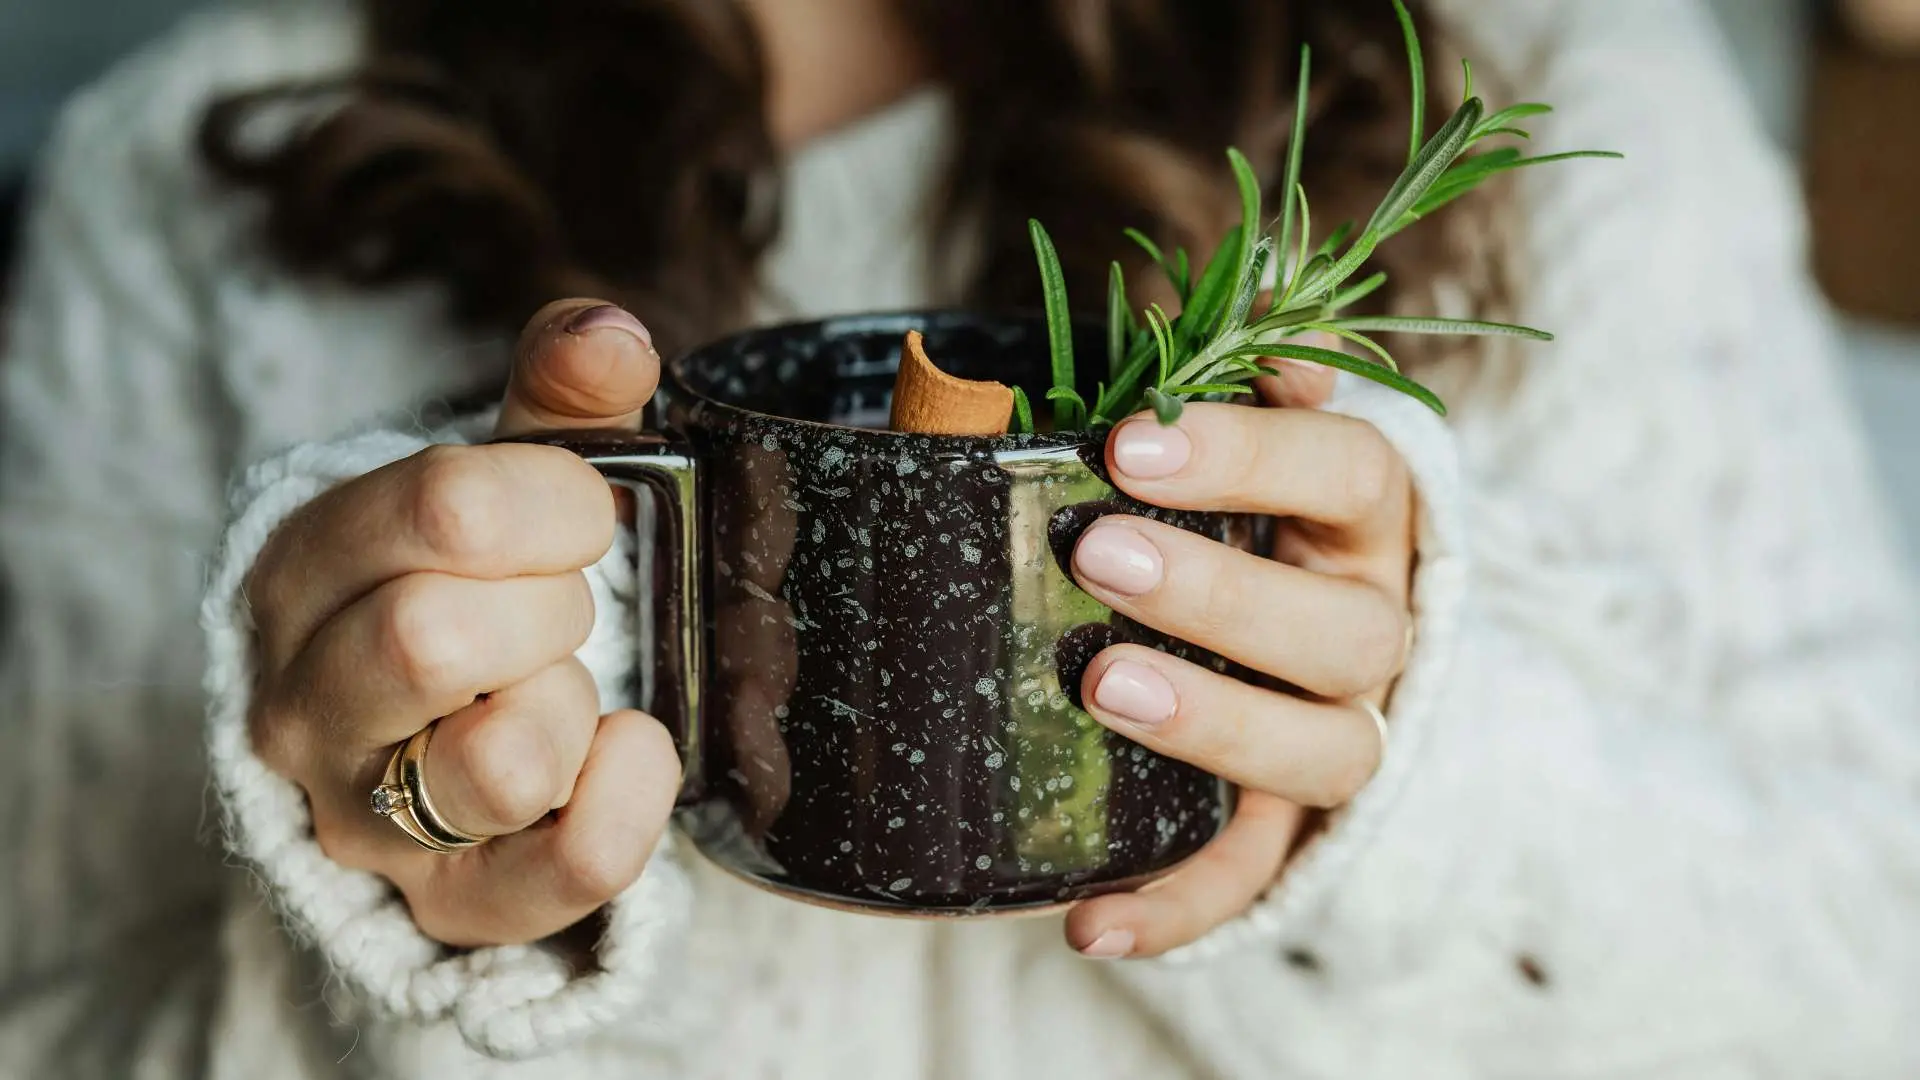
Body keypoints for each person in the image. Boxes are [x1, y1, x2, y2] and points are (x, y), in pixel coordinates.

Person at [2, 0, 1916, 1075]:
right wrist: (381, 927)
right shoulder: (191, 162)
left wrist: (1427, 782)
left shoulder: (1557, 66)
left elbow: (1873, 977)